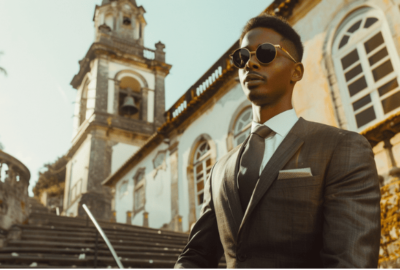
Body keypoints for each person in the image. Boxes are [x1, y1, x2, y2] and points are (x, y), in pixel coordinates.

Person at [174, 14, 381, 268]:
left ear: (296, 71)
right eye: (242, 58)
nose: (250, 64)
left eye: (265, 53)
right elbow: (195, 255)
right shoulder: (219, 170)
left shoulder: (342, 148)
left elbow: (350, 262)